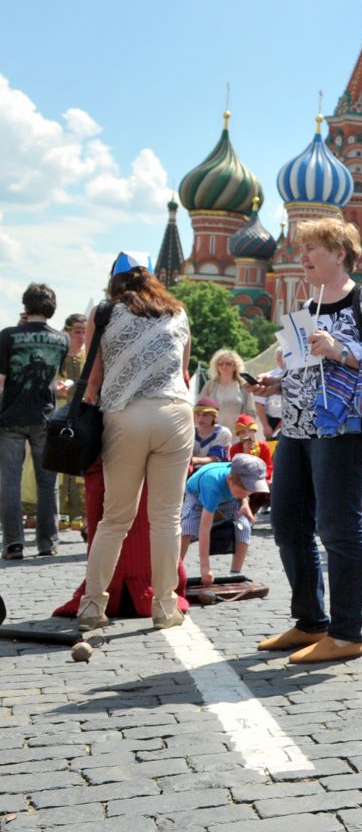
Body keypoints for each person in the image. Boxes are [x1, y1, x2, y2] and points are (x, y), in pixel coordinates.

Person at [249, 218, 362, 662]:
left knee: (338, 529)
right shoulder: (308, 305)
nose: (302, 258)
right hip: (297, 429)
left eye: (312, 251)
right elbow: (307, 368)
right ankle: (310, 622)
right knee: (286, 525)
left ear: (339, 254)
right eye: (302, 251)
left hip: (341, 430)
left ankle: (345, 634)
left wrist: (344, 349)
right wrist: (276, 382)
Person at [76, 254, 193, 631]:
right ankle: (164, 607)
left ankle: (93, 606)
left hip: (125, 415)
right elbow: (185, 373)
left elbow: (93, 377)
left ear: (115, 279)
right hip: (175, 414)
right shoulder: (178, 312)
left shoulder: (104, 312)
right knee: (166, 519)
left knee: (115, 518)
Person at [1, 282, 70, 559]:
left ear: (25, 306)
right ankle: (47, 542)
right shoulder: (62, 339)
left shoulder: (7, 336)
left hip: (10, 416)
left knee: (9, 482)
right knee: (47, 483)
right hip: (45, 416)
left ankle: (14, 543)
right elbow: (57, 374)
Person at [179, 454, 269, 589]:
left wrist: (244, 501)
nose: (247, 493)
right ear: (229, 480)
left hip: (230, 498)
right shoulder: (212, 484)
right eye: (243, 492)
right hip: (197, 496)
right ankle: (175, 571)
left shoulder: (238, 487)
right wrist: (205, 568)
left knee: (242, 526)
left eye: (249, 492)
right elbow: (205, 528)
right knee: (187, 526)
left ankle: (235, 573)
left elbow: (242, 490)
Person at [56, 312, 90, 538]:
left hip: (81, 412)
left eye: (84, 331)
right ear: (67, 331)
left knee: (78, 464)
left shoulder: (89, 354)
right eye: (77, 331)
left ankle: (81, 515)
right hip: (59, 410)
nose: (81, 335)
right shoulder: (59, 353)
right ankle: (60, 514)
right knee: (59, 462)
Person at [204, 348, 254, 435]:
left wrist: (248, 432)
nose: (224, 366)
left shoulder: (244, 385)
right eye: (220, 364)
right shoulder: (210, 385)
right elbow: (200, 408)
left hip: (237, 434)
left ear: (235, 366)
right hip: (213, 434)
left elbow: (251, 412)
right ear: (216, 366)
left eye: (228, 364)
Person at [189, 398, 233, 468]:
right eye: (198, 414)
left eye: (205, 415)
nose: (200, 419)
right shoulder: (189, 431)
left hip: (213, 471)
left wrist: (194, 460)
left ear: (213, 416)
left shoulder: (223, 433)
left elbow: (215, 458)